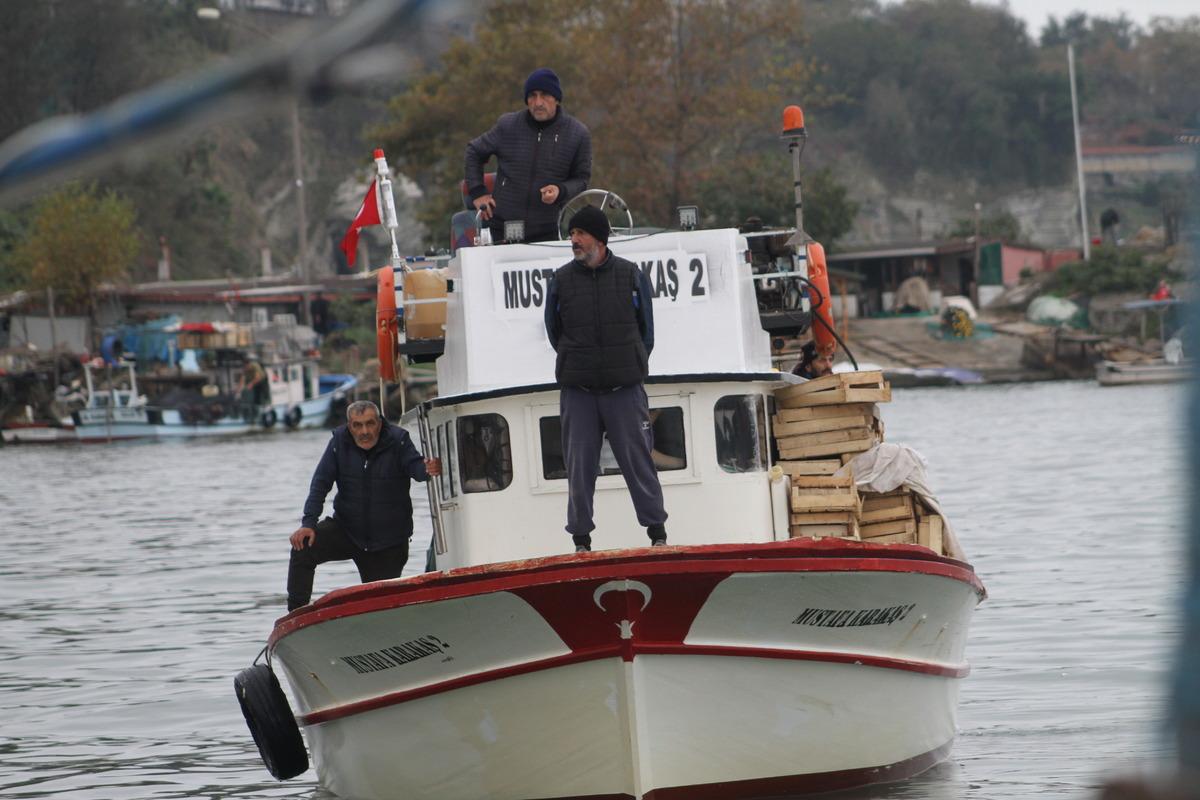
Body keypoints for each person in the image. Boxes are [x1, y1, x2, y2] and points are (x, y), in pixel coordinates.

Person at [544, 205, 668, 553]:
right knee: (580, 466)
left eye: (579, 233)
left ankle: (656, 531)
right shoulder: (561, 280)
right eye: (571, 234)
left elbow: (647, 333)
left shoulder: (631, 276)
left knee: (638, 461)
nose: (574, 240)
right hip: (578, 391)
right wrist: (578, 361)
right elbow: (554, 331)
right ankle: (581, 539)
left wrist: (628, 363)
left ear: (599, 238)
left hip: (624, 389)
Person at [286, 400, 441, 611]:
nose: (364, 431)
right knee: (302, 545)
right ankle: (295, 614)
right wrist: (308, 523)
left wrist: (427, 469)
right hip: (347, 530)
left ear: (379, 423)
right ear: (350, 426)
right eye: (357, 425)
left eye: (370, 424)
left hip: (388, 541)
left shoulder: (398, 440)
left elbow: (415, 467)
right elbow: (320, 484)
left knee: (379, 608)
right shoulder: (338, 442)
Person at [464, 68, 592, 243]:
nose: (538, 102)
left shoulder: (577, 134)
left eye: (545, 95)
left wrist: (560, 191)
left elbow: (582, 179)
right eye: (532, 95)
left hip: (548, 232)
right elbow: (474, 151)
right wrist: (478, 192)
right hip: (502, 229)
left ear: (556, 99)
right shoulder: (508, 125)